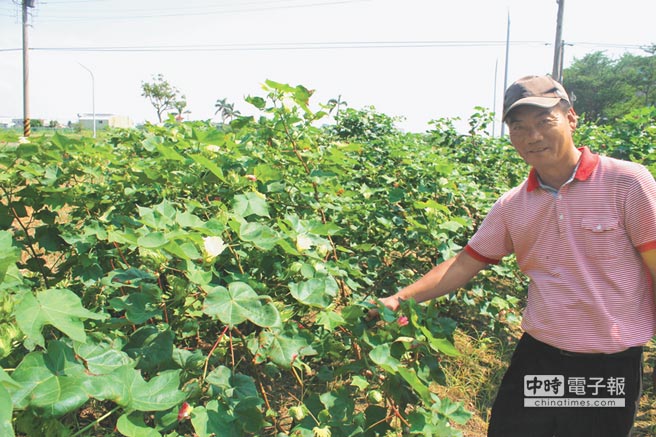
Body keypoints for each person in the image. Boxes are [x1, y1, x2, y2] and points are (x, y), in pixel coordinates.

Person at [372, 75, 656, 437]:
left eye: (543, 122)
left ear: (571, 119)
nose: (532, 136)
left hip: (607, 366)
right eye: (518, 127)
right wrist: (399, 298)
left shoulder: (628, 183)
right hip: (540, 356)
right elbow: (463, 264)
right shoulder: (513, 205)